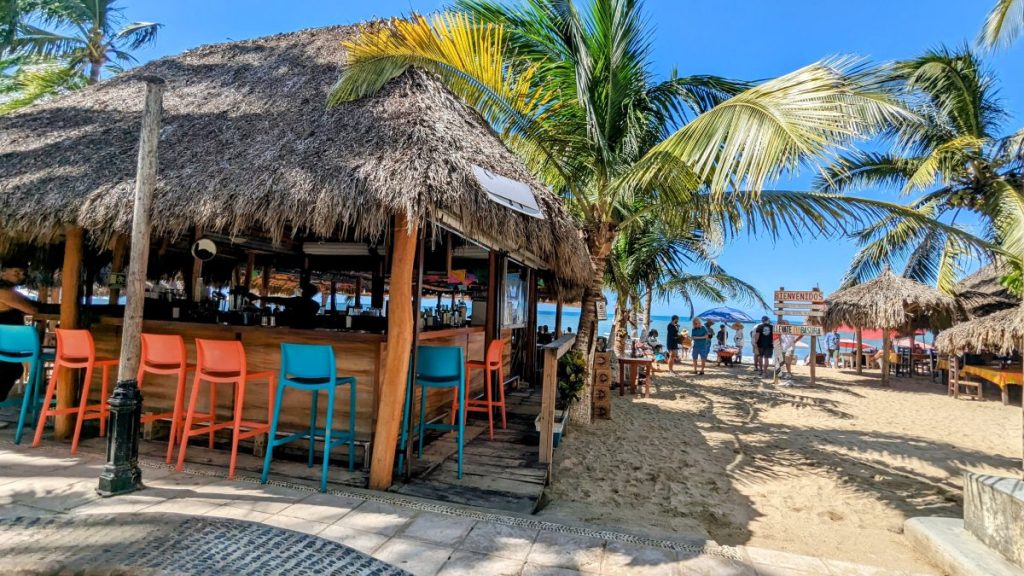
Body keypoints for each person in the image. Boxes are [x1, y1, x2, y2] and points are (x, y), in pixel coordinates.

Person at [0, 259, 38, 408]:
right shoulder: (4, 292)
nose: (21, 276)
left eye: (23, 274)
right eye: (16, 272)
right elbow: (32, 309)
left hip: (5, 345)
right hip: (5, 346)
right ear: (3, 273)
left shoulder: (9, 292)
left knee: (13, 369)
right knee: (12, 369)